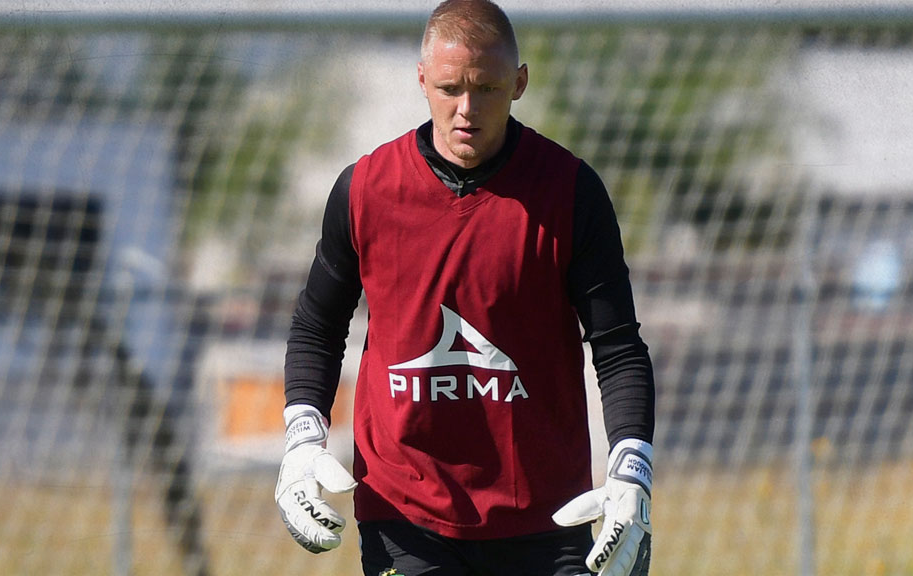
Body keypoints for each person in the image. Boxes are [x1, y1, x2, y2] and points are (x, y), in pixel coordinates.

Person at [275, 1, 655, 574]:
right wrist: (302, 438)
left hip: (545, 514)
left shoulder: (570, 192)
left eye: (488, 88)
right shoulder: (365, 190)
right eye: (450, 88)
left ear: (520, 83)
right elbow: (317, 326)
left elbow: (618, 346)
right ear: (422, 79)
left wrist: (633, 469)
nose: (467, 110)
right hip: (404, 509)